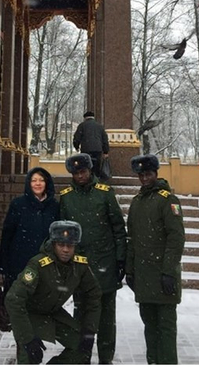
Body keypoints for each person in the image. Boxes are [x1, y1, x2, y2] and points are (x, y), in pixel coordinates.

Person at [59, 153, 127, 364]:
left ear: (90, 171)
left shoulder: (105, 194)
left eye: (83, 171)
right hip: (79, 269)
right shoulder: (66, 196)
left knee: (106, 319)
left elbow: (118, 228)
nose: (80, 176)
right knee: (82, 318)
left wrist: (120, 259)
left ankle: (106, 359)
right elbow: (62, 233)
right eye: (76, 172)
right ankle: (82, 357)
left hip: (105, 265)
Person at [5, 220, 102, 365]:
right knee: (30, 355)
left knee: (81, 348)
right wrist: (27, 339)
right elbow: (13, 299)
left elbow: (94, 294)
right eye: (61, 245)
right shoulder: (38, 265)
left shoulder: (80, 265)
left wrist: (89, 331)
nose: (65, 250)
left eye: (70, 245)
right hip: (30, 314)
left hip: (53, 312)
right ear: (53, 244)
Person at [126, 154, 186, 364]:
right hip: (144, 277)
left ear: (156, 174)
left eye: (148, 174)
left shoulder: (168, 200)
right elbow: (131, 239)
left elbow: (176, 238)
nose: (144, 178)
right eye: (141, 175)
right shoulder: (137, 202)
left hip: (163, 277)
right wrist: (130, 270)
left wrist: (168, 271)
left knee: (166, 329)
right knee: (150, 327)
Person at [0, 167, 59, 292]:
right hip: (20, 262)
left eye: (41, 180)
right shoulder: (18, 204)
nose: (38, 183)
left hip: (46, 262)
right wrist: (3, 263)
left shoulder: (54, 206)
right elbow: (7, 234)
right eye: (34, 180)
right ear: (28, 183)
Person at [73, 111, 110, 180]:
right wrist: (105, 151)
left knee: (86, 166)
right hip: (97, 150)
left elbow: (76, 138)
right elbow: (105, 139)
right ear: (93, 117)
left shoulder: (82, 125)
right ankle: (96, 180)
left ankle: (87, 180)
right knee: (96, 167)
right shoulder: (100, 126)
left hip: (86, 150)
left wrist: (76, 146)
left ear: (85, 118)